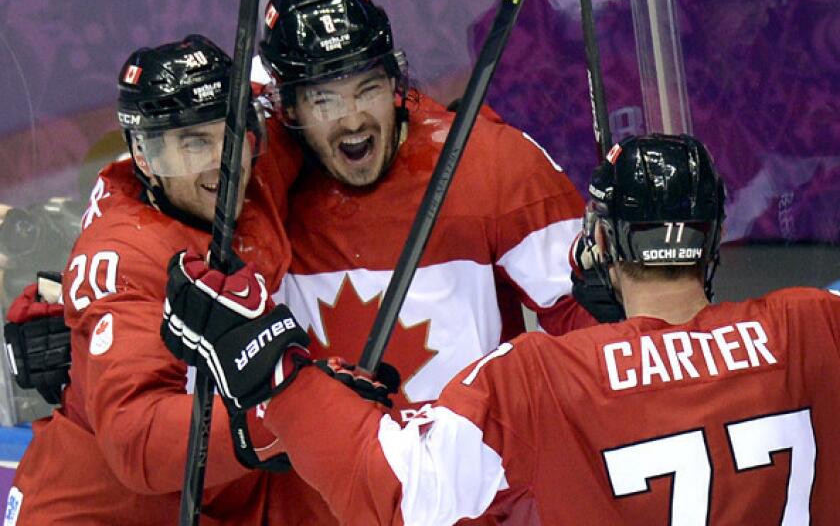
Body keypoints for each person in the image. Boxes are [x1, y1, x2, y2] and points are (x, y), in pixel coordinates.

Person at [166, 133, 840, 524]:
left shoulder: (541, 375)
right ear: (714, 238)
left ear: (600, 241)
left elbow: (400, 490)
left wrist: (273, 368)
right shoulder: (813, 327)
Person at [4, 35, 335, 525]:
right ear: (145, 156)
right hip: (97, 510)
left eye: (229, 133)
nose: (221, 164)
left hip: (210, 498)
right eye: (193, 142)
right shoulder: (123, 256)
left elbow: (277, 76)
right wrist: (282, 418)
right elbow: (135, 438)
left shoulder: (250, 174)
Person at [257, 0, 603, 418]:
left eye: (368, 88)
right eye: (324, 101)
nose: (353, 118)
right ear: (288, 109)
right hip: (332, 478)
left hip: (479, 472)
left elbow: (589, 323)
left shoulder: (489, 163)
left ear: (396, 85)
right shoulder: (259, 184)